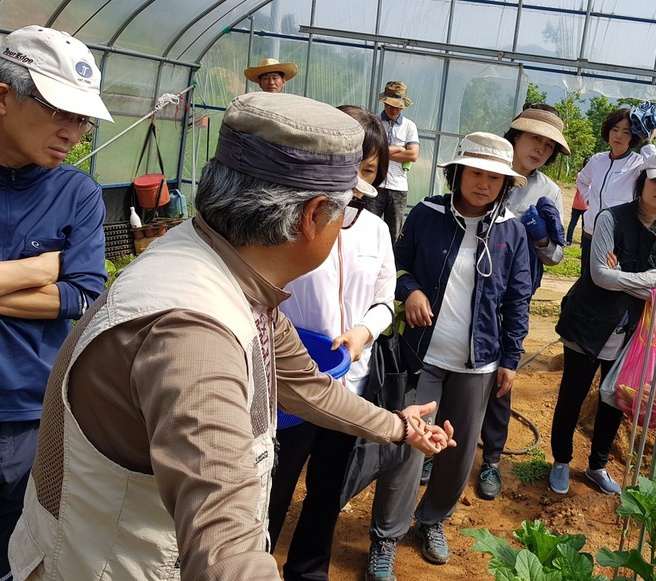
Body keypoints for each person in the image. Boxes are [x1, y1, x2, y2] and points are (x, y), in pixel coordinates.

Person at [8, 92, 455, 581]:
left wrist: (397, 427)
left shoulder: (226, 268)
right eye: (345, 212)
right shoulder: (194, 334)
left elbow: (305, 385)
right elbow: (226, 549)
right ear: (312, 217)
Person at [367, 132, 532, 579]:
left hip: (478, 362)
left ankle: (431, 520)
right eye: (475, 173)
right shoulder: (427, 214)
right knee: (408, 448)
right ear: (457, 173)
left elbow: (519, 301)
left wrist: (511, 359)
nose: (483, 183)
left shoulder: (512, 231)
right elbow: (395, 266)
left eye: (494, 177)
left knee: (457, 455)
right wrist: (412, 289)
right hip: (424, 356)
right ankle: (385, 536)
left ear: (505, 184)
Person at [0, 26, 112, 577]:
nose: (75, 132)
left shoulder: (78, 193)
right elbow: (63, 283)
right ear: (3, 97)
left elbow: (83, 293)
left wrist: (59, 278)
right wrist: (39, 268)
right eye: (60, 112)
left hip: (28, 413)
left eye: (82, 118)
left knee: (14, 551)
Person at [266, 105, 392, 580]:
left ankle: (308, 570)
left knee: (327, 487)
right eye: (353, 164)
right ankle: (256, 561)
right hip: (294, 380)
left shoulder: (376, 231)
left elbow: (385, 299)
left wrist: (364, 332)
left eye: (369, 169)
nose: (360, 179)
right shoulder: (299, 222)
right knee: (275, 483)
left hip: (348, 384)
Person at [550, 150, 656, 496]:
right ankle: (561, 461)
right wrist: (648, 279)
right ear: (643, 182)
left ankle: (597, 465)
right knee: (573, 394)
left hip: (631, 331)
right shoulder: (611, 219)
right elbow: (598, 276)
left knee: (614, 399)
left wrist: (624, 275)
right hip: (589, 321)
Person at [473, 103, 570, 501]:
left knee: (501, 373)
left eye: (549, 146)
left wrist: (542, 236)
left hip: (511, 295)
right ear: (516, 134)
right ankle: (437, 449)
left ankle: (492, 459)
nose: (541, 150)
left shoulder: (547, 191)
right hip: (468, 288)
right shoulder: (483, 170)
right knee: (450, 369)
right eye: (535, 139)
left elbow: (557, 257)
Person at [574, 108, 647, 274]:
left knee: (610, 278)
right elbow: (582, 180)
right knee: (586, 276)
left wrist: (647, 142)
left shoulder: (638, 164)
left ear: (634, 136)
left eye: (626, 132)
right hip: (591, 232)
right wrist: (588, 200)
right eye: (615, 129)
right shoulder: (597, 160)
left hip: (617, 236)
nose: (618, 135)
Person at [369, 81, 420, 241]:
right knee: (369, 230)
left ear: (403, 106)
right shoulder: (374, 122)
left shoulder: (409, 126)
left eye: (398, 106)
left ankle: (390, 265)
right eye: (390, 105)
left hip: (398, 187)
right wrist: (400, 149)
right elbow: (370, 151)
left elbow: (413, 155)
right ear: (384, 103)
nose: (393, 109)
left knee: (394, 234)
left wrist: (382, 151)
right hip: (374, 185)